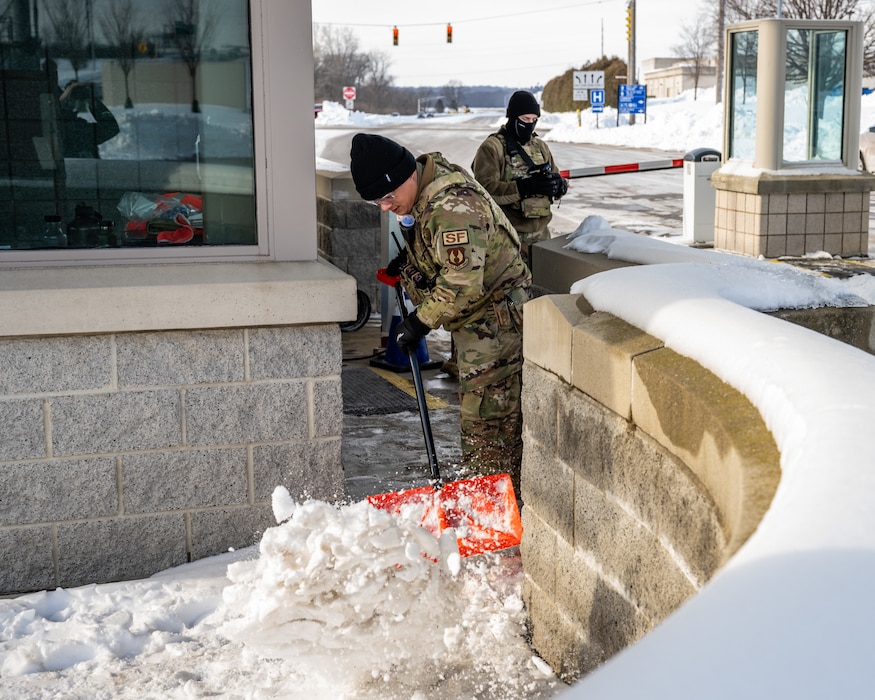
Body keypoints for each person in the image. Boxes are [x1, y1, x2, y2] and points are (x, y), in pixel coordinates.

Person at [349, 133, 532, 488]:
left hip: (495, 320)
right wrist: (410, 262)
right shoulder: (425, 183)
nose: (385, 207)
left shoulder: (451, 207)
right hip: (476, 318)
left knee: (487, 421)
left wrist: (418, 322)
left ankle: (492, 503)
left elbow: (463, 282)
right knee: (484, 414)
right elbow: (440, 248)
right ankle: (491, 493)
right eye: (378, 202)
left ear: (405, 176)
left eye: (387, 197)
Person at [471, 90, 568, 264]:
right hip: (507, 240)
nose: (530, 125)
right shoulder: (493, 147)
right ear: (513, 117)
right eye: (525, 119)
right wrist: (524, 187)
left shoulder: (540, 146)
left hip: (542, 238)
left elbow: (554, 176)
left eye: (534, 120)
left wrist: (558, 186)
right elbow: (485, 193)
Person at [57, 80, 120, 158]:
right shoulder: (53, 131)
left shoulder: (80, 128)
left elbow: (111, 128)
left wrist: (91, 100)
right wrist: (94, 102)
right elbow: (111, 128)